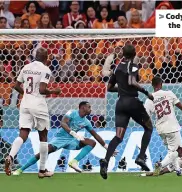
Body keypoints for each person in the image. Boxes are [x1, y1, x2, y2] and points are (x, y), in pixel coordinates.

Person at [13, 102, 116, 175]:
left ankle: (74, 162)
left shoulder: (86, 122)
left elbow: (95, 135)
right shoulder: (72, 113)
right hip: (61, 138)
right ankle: (20, 170)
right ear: (83, 107)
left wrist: (107, 147)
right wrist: (73, 133)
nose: (91, 109)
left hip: (72, 140)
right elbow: (63, 123)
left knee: (91, 142)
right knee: (44, 152)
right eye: (89, 107)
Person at [4, 47, 61, 178]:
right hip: (38, 105)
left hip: (25, 103)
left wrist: (27, 94)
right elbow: (42, 90)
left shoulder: (26, 67)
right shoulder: (45, 69)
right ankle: (42, 170)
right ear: (46, 58)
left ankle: (11, 156)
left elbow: (16, 86)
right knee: (43, 136)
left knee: (23, 133)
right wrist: (54, 91)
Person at [99, 44, 154, 179]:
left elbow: (109, 88)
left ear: (123, 54)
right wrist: (146, 92)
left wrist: (122, 89)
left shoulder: (117, 67)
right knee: (148, 128)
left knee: (119, 136)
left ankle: (105, 161)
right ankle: (141, 157)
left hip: (120, 104)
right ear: (134, 54)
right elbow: (132, 81)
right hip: (132, 102)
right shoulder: (133, 65)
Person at [144, 76, 182, 176]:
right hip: (172, 127)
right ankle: (160, 164)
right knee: (179, 150)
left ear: (152, 85)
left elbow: (146, 117)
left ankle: (178, 169)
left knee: (171, 151)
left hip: (160, 129)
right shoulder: (169, 93)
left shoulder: (149, 100)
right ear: (161, 84)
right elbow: (181, 107)